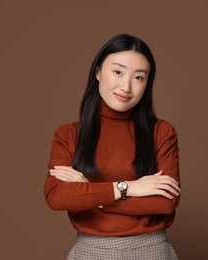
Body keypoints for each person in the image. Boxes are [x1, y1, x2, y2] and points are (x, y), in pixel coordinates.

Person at [44, 34, 181, 260]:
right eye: (118, 72)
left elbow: (165, 201)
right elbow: (57, 196)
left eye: (138, 77)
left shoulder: (161, 132)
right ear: (98, 72)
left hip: (150, 250)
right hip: (90, 251)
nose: (126, 86)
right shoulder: (69, 134)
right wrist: (127, 188)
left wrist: (93, 195)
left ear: (147, 84)